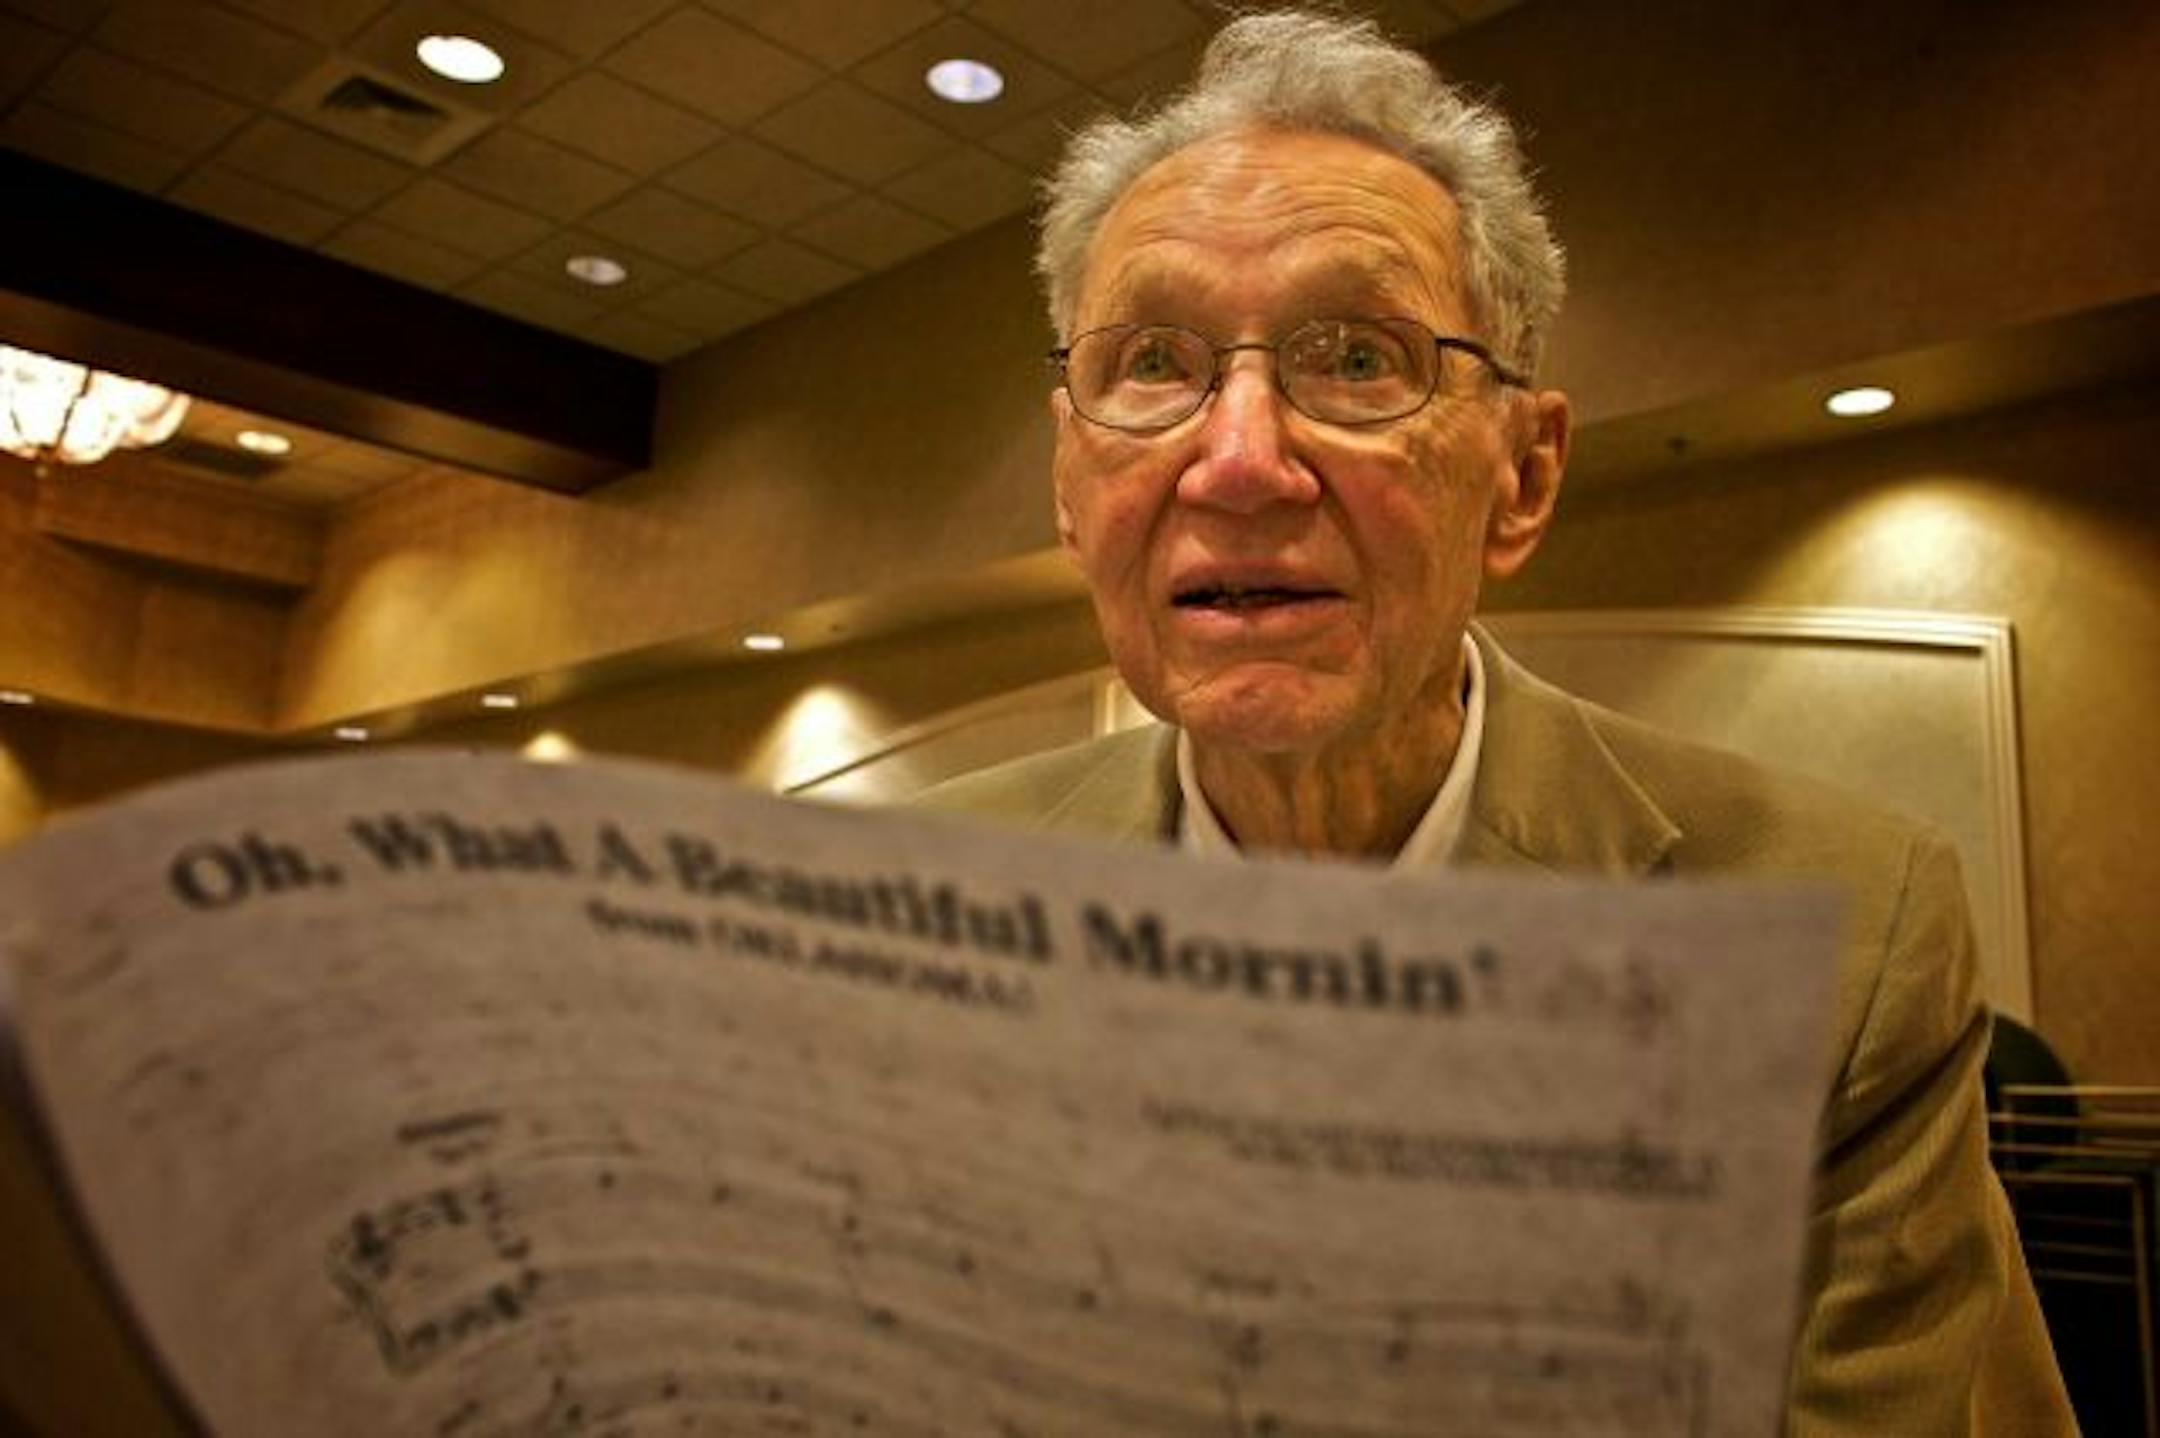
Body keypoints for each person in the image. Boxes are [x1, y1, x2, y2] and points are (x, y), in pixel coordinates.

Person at [914, 11, 2076, 1435]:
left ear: (1521, 476)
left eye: (1355, 354)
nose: (1238, 459)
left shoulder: (1844, 943)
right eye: (1152, 359)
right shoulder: (908, 908)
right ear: (1069, 483)